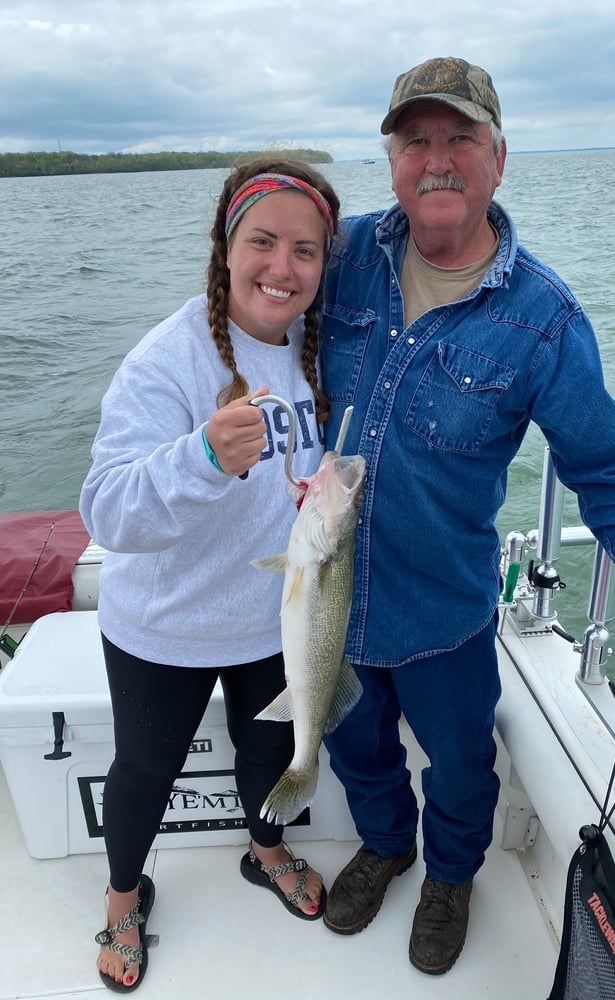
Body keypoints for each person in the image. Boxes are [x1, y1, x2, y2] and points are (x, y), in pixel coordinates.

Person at [318, 57, 615, 976]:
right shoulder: (338, 256)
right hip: (330, 596)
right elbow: (243, 311)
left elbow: (613, 474)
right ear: (390, 159)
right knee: (353, 741)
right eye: (416, 140)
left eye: (459, 138)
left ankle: (451, 875)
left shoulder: (543, 316)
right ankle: (389, 843)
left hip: (445, 611)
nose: (437, 160)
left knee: (465, 766)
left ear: (499, 158)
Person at [79, 156, 340, 991]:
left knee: (268, 749)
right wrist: (200, 457)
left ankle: (264, 850)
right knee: (144, 770)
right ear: (225, 248)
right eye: (262, 241)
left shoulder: (323, 347)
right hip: (166, 626)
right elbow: (106, 512)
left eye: (306, 251)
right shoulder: (167, 360)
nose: (283, 267)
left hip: (275, 617)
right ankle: (124, 898)